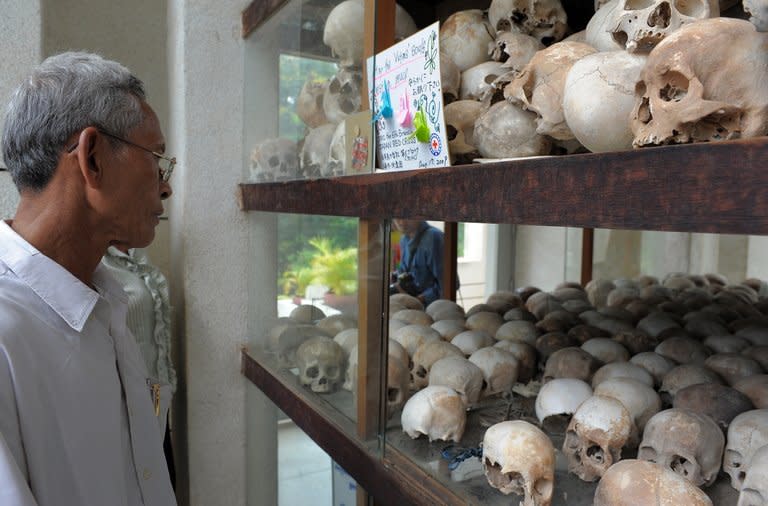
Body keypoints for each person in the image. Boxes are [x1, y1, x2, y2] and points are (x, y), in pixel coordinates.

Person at [0, 52, 176, 505]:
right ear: (92, 157)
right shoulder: (6, 336)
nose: (165, 185)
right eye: (156, 157)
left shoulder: (105, 297)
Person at [101, 245, 177, 489]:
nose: (160, 205)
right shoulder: (94, 259)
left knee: (162, 478)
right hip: (121, 405)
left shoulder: (134, 254)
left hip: (154, 395)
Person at [391, 219, 445, 306]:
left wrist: (420, 299)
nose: (401, 221)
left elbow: (449, 284)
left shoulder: (434, 238)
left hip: (434, 309)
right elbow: (404, 273)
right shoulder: (404, 240)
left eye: (406, 215)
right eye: (397, 217)